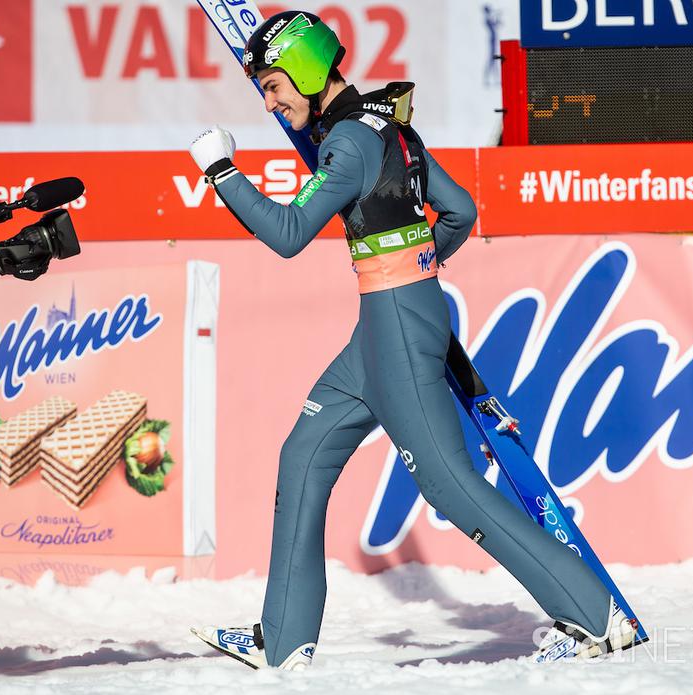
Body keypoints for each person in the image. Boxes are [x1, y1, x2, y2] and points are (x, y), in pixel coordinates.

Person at [187, 11, 637, 670]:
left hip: (395, 323)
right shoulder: (387, 125)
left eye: (276, 84)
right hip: (388, 319)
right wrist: (420, 265)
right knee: (303, 455)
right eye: (264, 89)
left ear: (311, 72)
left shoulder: (346, 145)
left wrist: (221, 170)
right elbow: (459, 211)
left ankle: (599, 617)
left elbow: (287, 234)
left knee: (454, 490)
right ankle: (281, 643)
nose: (270, 100)